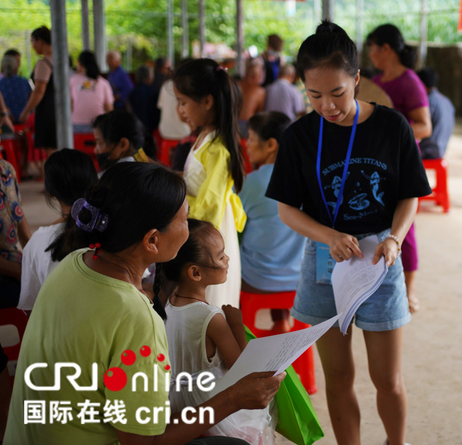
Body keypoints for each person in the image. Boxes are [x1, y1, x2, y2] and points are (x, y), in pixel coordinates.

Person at [4, 162, 284, 445]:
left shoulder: (74, 262)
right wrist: (234, 398)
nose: (189, 226)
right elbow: (144, 443)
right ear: (152, 240)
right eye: (185, 220)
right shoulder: (136, 317)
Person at [266, 21, 431, 445]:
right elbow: (287, 210)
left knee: (387, 379)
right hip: (324, 261)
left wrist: (395, 236)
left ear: (357, 79)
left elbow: (410, 195)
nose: (328, 106)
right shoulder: (300, 136)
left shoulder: (392, 127)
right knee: (338, 379)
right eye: (314, 94)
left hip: (380, 258)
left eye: (338, 93)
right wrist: (328, 237)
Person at [159, 218, 277, 443]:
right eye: (221, 256)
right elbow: (241, 371)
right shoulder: (211, 317)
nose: (228, 259)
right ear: (195, 272)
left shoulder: (165, 304)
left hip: (174, 406)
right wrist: (236, 324)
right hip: (208, 407)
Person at [367, 23, 432, 314]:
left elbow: (425, 126)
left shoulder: (409, 82)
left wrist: (393, 129)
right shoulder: (376, 82)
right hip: (376, 163)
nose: (369, 53)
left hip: (402, 162)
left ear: (386, 48)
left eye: (371, 46)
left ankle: (410, 290)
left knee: (405, 228)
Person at [174, 59, 247, 309]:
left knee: (209, 306)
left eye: (183, 102)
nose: (180, 110)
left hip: (208, 232)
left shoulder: (217, 148)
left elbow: (209, 207)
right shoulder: (205, 136)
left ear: (207, 101)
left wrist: (171, 206)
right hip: (202, 227)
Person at [238, 112, 305, 333]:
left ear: (271, 145)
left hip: (258, 279)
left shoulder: (252, 183)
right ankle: (282, 321)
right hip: (300, 279)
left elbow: (234, 226)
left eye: (251, 138)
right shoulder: (307, 179)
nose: (246, 144)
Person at [18, 149, 98, 311]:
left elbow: (31, 308)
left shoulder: (38, 242)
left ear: (50, 192)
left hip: (58, 334)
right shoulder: (117, 232)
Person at [18, 27, 56, 154]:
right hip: (61, 108)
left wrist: (26, 111)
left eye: (32, 42)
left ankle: (53, 174)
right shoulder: (63, 59)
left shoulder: (44, 63)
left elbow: (39, 90)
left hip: (47, 109)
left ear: (40, 41)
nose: (33, 46)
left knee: (50, 150)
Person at [0, 159, 31, 308]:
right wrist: (21, 273)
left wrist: (34, 256)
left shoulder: (6, 169)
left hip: (13, 261)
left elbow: (18, 213)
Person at [70, 50, 114, 133]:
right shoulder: (103, 83)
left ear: (80, 64)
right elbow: (109, 109)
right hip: (98, 126)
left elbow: (69, 105)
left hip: (76, 125)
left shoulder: (72, 80)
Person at [417, 67, 455, 160]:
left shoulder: (427, 102)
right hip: (441, 149)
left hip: (428, 151)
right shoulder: (446, 101)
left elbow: (420, 129)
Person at [0, 52, 32, 122]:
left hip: (7, 121)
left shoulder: (1, 83)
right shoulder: (24, 82)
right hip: (25, 119)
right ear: (16, 67)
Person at [238, 57, 266, 135]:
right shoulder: (260, 91)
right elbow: (260, 113)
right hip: (245, 126)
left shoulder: (236, 85)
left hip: (232, 123)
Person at [158, 77, 192, 141]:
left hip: (166, 132)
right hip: (183, 134)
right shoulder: (187, 84)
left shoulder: (166, 85)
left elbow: (162, 107)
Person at [130, 65, 160, 135]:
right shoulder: (154, 92)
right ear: (149, 77)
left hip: (137, 129)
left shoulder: (133, 92)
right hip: (151, 130)